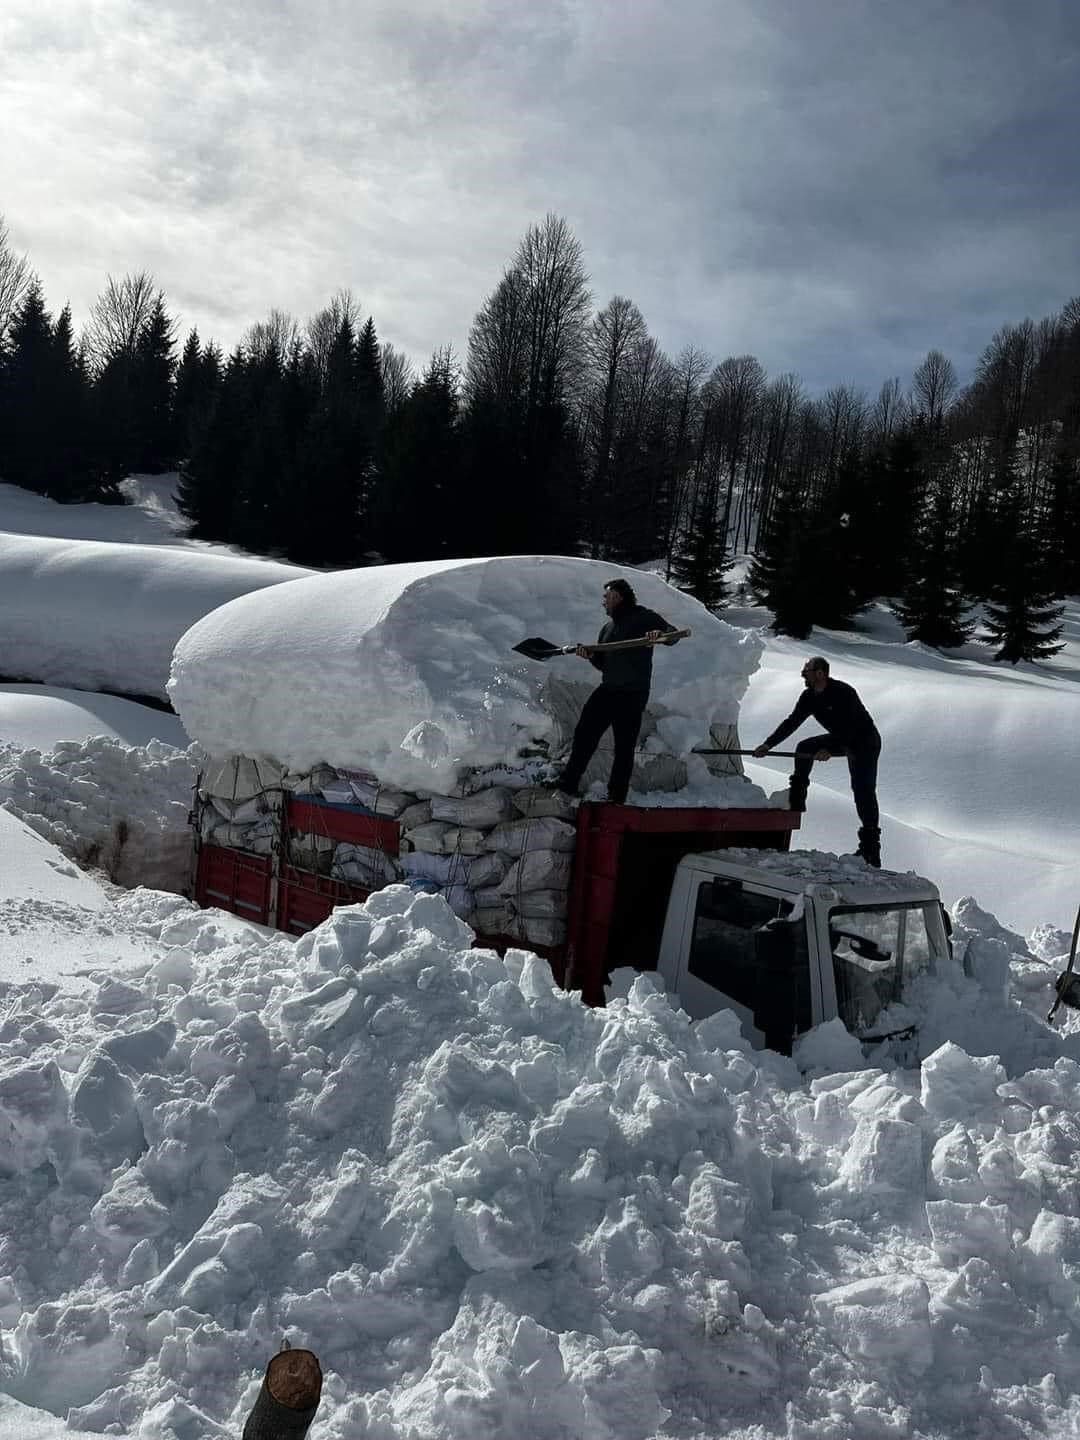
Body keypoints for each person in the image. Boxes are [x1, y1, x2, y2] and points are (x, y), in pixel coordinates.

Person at [556, 579, 681, 804]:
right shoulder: (607, 629)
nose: (603, 601)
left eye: (606, 597)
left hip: (633, 694)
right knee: (584, 735)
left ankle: (616, 796)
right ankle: (568, 784)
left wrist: (658, 634)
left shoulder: (643, 616)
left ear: (617, 596)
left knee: (624, 747)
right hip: (608, 690)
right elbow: (604, 665)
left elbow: (672, 636)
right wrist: (591, 655)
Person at [752, 656, 882, 867]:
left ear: (820, 673)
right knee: (804, 747)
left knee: (863, 790)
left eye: (807, 671)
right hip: (842, 738)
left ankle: (871, 850)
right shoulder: (809, 696)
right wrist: (768, 744)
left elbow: (852, 727)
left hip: (864, 742)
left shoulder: (843, 692)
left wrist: (829, 749)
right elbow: (792, 721)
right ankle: (796, 800)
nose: (803, 674)